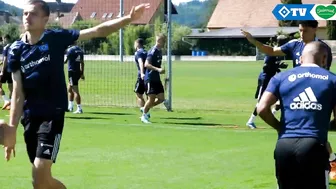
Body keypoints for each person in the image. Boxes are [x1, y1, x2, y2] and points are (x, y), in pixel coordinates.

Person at [3, 1, 150, 189]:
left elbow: (98, 31)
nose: (26, 18)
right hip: (30, 118)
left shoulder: (55, 38)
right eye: (24, 14)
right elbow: (17, 93)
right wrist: (11, 131)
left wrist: (129, 18)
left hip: (52, 116)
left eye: (32, 14)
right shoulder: (15, 50)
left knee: (40, 173)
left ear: (45, 19)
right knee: (40, 182)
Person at [241, 20, 336, 180]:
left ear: (314, 31)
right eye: (300, 30)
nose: (301, 34)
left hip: (315, 91)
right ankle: (331, 161)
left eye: (305, 31)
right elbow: (270, 50)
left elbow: (323, 72)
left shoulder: (321, 48)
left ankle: (331, 160)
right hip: (294, 88)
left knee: (313, 134)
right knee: (312, 133)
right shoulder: (294, 45)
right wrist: (253, 41)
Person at [257, 41, 336, 189]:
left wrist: (281, 128)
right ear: (324, 58)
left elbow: (262, 108)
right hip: (313, 145)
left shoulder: (280, 78)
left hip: (284, 146)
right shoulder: (332, 80)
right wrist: (326, 126)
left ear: (300, 58)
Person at [246, 35, 288, 129]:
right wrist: (277, 65)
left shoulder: (280, 52)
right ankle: (250, 121)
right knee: (261, 101)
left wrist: (278, 67)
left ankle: (272, 115)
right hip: (265, 78)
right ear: (281, 43)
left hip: (273, 78)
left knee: (280, 97)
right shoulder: (272, 51)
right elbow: (266, 67)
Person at [141, 34, 168, 123]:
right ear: (159, 41)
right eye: (163, 41)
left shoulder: (159, 51)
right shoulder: (153, 51)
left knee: (161, 98)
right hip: (150, 78)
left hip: (156, 78)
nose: (165, 43)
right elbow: (146, 64)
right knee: (151, 98)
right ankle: (144, 116)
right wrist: (158, 69)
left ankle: (145, 108)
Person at [64, 44, 84, 114]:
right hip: (78, 71)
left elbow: (65, 61)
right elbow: (82, 63)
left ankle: (79, 108)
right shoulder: (80, 50)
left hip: (72, 72)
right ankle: (70, 106)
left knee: (75, 90)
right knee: (69, 88)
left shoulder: (70, 50)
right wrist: (82, 73)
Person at [133, 38, 147, 113]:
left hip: (142, 76)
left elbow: (140, 62)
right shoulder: (146, 52)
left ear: (137, 44)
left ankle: (145, 112)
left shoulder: (138, 53)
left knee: (139, 94)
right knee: (149, 95)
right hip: (148, 75)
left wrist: (142, 73)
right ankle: (145, 111)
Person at [0, 34, 13, 110]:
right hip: (12, 69)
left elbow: (5, 60)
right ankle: (11, 102)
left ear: (5, 39)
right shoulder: (13, 45)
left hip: (6, 69)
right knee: (11, 87)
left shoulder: (6, 47)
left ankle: (6, 100)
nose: (3, 41)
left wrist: (2, 71)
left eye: (3, 39)